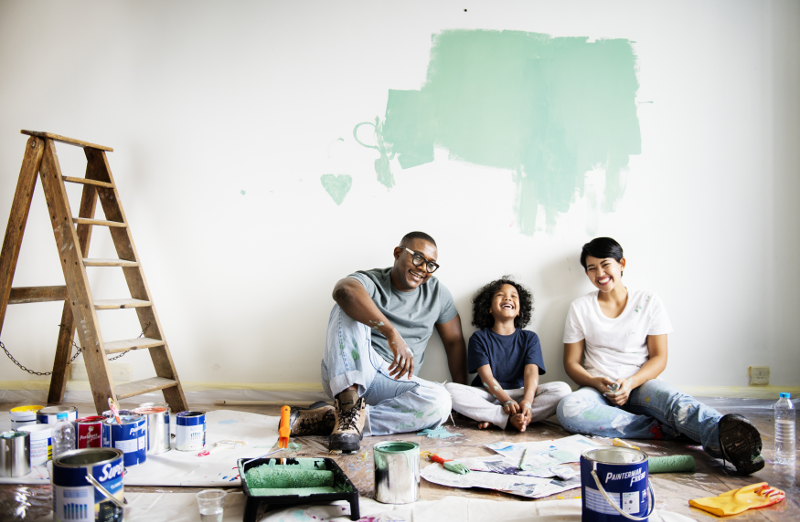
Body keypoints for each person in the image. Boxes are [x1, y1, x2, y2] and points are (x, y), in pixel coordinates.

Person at [556, 237, 764, 474]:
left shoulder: (648, 301)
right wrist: (595, 382)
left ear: (621, 263)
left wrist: (631, 382)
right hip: (598, 390)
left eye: (605, 265)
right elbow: (571, 363)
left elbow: (659, 358)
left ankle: (730, 442)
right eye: (592, 268)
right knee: (568, 409)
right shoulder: (580, 307)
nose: (600, 273)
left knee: (675, 401)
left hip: (642, 385)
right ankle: (670, 429)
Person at [290, 232, 467, 452]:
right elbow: (343, 290)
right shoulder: (372, 280)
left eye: (431, 265)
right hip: (354, 369)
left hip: (396, 383)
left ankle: (338, 419)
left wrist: (463, 396)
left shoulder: (438, 294)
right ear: (398, 253)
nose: (423, 268)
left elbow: (454, 342)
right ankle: (348, 403)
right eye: (418, 258)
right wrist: (392, 334)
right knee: (345, 305)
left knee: (441, 402)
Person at [445, 278, 571, 432]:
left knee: (563, 389)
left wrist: (528, 401)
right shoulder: (479, 338)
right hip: (488, 395)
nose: (507, 298)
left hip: (519, 394)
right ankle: (505, 418)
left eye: (513, 296)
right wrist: (505, 401)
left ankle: (507, 417)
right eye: (500, 295)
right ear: (489, 308)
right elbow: (486, 378)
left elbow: (531, 373)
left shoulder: (530, 338)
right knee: (449, 390)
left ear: (519, 311)